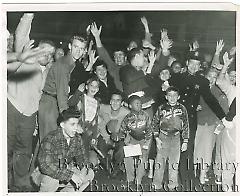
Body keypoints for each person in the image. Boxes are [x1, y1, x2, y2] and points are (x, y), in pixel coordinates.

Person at [7, 13, 56, 192]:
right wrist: (29, 14)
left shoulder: (46, 72)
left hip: (29, 115)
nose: (47, 54)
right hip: (11, 106)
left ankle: (19, 185)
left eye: (50, 53)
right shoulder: (25, 57)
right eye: (43, 50)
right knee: (5, 147)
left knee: (24, 151)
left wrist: (35, 120)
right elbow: (21, 35)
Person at [171, 50, 226, 189]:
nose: (194, 67)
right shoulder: (176, 77)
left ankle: (188, 179)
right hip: (174, 118)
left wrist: (223, 117)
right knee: (174, 149)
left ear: (200, 66)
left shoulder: (202, 81)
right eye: (192, 64)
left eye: (197, 64)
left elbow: (211, 100)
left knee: (188, 150)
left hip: (190, 120)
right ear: (187, 63)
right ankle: (173, 178)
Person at [38, 35, 87, 142]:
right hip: (49, 105)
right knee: (49, 144)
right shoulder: (63, 65)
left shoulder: (71, 63)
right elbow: (62, 94)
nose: (78, 51)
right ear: (70, 46)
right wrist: (70, 121)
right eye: (76, 47)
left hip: (53, 103)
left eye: (81, 48)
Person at [37, 108, 94, 192]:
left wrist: (84, 169)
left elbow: (82, 157)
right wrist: (71, 176)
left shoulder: (77, 138)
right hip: (44, 174)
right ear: (62, 125)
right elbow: (45, 166)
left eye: (77, 124)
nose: (76, 128)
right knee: (52, 181)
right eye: (72, 124)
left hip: (65, 170)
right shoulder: (51, 139)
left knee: (89, 174)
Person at [193, 68, 228, 184]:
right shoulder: (199, 89)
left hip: (211, 123)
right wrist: (195, 107)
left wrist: (219, 124)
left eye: (214, 77)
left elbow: (223, 109)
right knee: (196, 148)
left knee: (207, 150)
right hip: (197, 122)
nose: (212, 79)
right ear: (205, 77)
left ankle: (203, 174)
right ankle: (194, 172)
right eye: (210, 76)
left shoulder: (218, 92)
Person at [152, 86, 189, 190]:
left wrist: (185, 141)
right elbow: (154, 123)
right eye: (170, 95)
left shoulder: (182, 108)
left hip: (176, 137)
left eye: (174, 95)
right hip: (163, 136)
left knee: (174, 162)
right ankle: (156, 183)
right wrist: (157, 138)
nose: (172, 98)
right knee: (160, 161)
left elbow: (186, 124)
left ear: (179, 97)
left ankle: (172, 184)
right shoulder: (161, 108)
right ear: (166, 97)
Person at [118, 95, 152, 185]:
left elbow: (149, 130)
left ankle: (139, 179)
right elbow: (122, 131)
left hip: (143, 140)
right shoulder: (127, 118)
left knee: (143, 158)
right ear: (130, 106)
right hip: (132, 139)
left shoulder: (145, 116)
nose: (139, 105)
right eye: (136, 103)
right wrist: (126, 142)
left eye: (140, 103)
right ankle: (130, 178)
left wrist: (146, 144)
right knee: (128, 158)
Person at [68, 77, 100, 167]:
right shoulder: (81, 97)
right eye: (91, 85)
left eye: (96, 86)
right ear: (86, 87)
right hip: (78, 127)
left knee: (84, 152)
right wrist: (78, 91)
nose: (93, 88)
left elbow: (95, 121)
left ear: (98, 89)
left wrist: (94, 136)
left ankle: (83, 171)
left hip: (88, 130)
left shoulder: (97, 102)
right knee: (72, 149)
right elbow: (70, 103)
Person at [97, 90, 130, 177]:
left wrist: (124, 138)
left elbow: (129, 128)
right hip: (105, 136)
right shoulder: (102, 108)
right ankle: (108, 167)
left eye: (118, 100)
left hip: (118, 137)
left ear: (122, 103)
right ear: (110, 101)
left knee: (122, 149)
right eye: (113, 100)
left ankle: (117, 167)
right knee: (100, 148)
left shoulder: (126, 113)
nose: (115, 103)